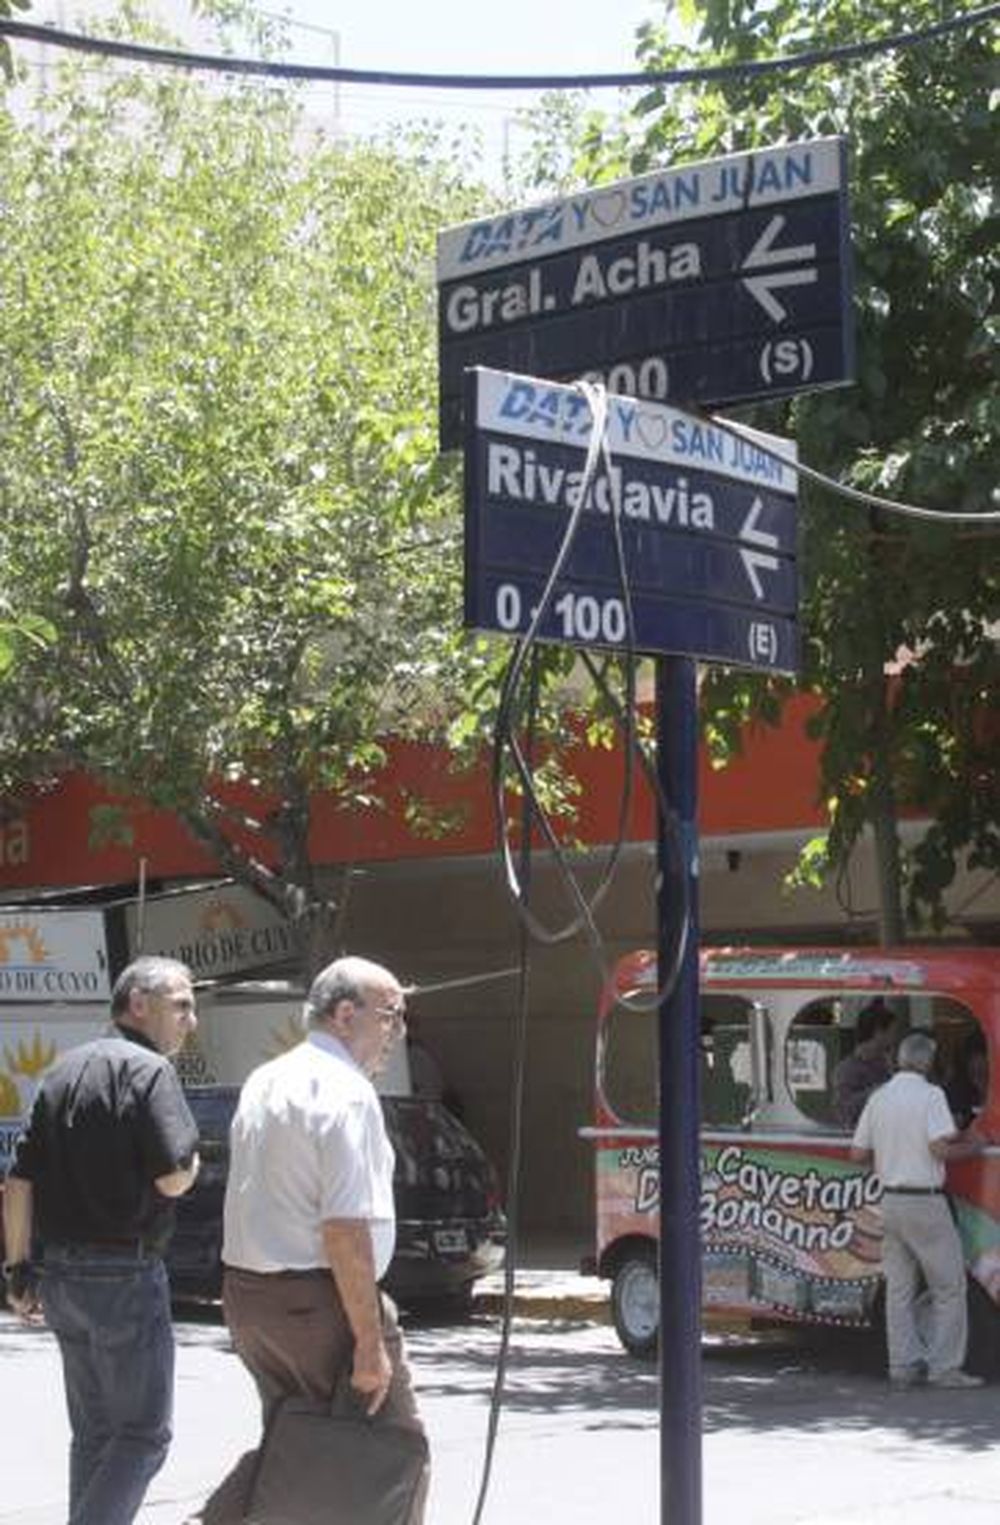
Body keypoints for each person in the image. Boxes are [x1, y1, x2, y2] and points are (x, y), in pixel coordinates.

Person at [198, 954, 428, 1524]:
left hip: (254, 1301)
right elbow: (345, 1230)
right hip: (317, 1303)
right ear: (346, 1014)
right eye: (391, 1017)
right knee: (395, 1452)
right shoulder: (346, 1093)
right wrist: (369, 1344)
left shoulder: (267, 1078)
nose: (396, 1035)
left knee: (297, 1443)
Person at [2, 955, 200, 1525]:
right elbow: (172, 1176)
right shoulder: (151, 1071)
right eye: (182, 1005)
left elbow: (17, 1181)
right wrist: (191, 1166)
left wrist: (17, 1270)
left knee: (94, 1435)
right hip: (126, 1278)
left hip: (60, 1278)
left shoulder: (61, 1072)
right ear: (139, 1004)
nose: (191, 1021)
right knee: (142, 1436)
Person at [850, 1029, 986, 1389]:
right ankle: (945, 1369)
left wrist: (892, 1157)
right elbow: (940, 1149)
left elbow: (858, 1154)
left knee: (899, 1289)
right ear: (927, 1061)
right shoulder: (931, 1095)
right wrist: (974, 1147)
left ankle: (902, 1366)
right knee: (949, 1288)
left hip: (890, 1201)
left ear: (900, 1059)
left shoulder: (879, 1098)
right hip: (925, 1201)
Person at [832, 999, 898, 1127]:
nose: (894, 1037)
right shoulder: (847, 1070)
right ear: (878, 1032)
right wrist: (877, 1091)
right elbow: (844, 1111)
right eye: (891, 1032)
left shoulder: (887, 1064)